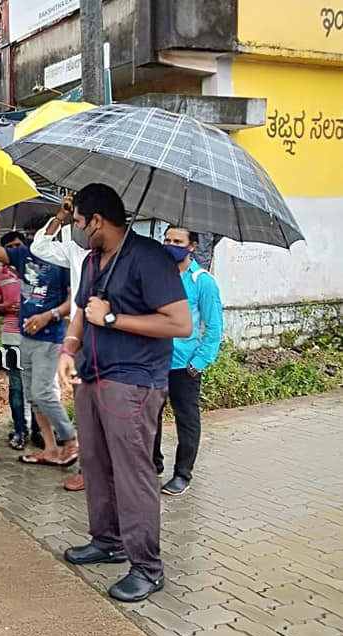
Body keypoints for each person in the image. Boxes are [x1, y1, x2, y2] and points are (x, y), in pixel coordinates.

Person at [57, 183, 191, 603]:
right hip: (91, 376)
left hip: (132, 383)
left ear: (97, 220)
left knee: (133, 475)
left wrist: (114, 318)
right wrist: (68, 350)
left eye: (80, 223)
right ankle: (108, 540)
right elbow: (82, 312)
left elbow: (180, 323)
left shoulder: (148, 258)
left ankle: (148, 568)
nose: (79, 230)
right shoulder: (93, 260)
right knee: (96, 464)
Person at [0, 218, 78, 466]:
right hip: (24, 337)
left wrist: (48, 316)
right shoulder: (23, 256)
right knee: (32, 396)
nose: (35, 238)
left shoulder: (62, 261)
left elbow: (72, 302)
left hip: (50, 338)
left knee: (43, 392)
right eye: (31, 233)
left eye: (39, 233)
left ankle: (70, 439)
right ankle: (50, 449)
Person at [153, 226, 223, 496]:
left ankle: (182, 474)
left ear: (192, 246)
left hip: (185, 365)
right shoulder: (160, 277)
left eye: (178, 241)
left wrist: (200, 361)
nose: (171, 245)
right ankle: (153, 464)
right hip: (155, 360)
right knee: (150, 415)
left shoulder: (202, 281)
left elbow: (214, 326)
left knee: (187, 420)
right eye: (167, 239)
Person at [32, 197, 91, 491]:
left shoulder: (124, 254)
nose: (75, 226)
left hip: (114, 337)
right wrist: (59, 217)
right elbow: (39, 247)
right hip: (80, 337)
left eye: (78, 220)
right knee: (84, 405)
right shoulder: (74, 251)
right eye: (74, 221)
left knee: (108, 408)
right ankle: (86, 469)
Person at [0, 231, 32, 450]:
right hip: (11, 336)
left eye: (18, 245)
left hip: (36, 336)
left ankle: (40, 430)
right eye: (10, 247)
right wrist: (6, 307)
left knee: (37, 386)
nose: (16, 250)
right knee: (16, 385)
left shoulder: (36, 271)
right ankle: (20, 430)